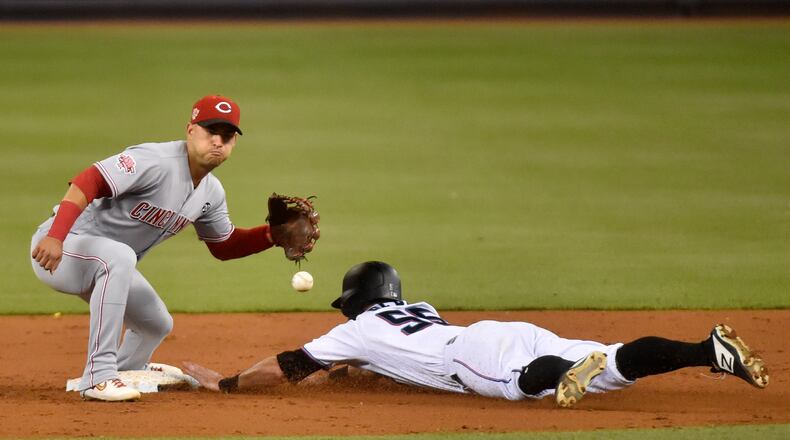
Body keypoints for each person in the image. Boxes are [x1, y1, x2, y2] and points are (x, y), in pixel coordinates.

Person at [183, 261, 769, 407]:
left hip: (473, 354)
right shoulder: (420, 308)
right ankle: (705, 350)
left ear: (356, 302)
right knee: (615, 360)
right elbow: (371, 360)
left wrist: (229, 384)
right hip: (508, 329)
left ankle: (565, 378)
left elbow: (289, 365)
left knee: (518, 385)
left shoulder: (358, 328)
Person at [31, 95, 284, 402]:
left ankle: (127, 371)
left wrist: (273, 235)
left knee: (155, 323)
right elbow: (90, 180)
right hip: (62, 249)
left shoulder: (211, 192)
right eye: (210, 131)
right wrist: (56, 237)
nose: (218, 141)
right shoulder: (155, 160)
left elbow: (224, 245)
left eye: (227, 136)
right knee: (119, 256)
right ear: (190, 130)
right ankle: (97, 377)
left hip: (110, 263)